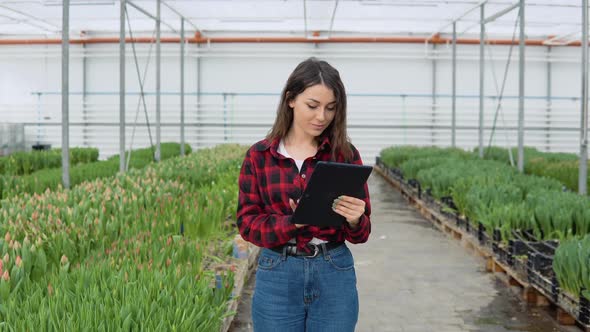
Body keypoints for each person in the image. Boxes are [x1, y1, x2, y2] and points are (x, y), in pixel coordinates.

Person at [236, 57, 371, 332]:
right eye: (313, 105)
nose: (322, 116)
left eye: (331, 108)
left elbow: (362, 234)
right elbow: (248, 224)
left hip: (334, 270)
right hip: (278, 272)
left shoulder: (345, 155)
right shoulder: (260, 157)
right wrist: (293, 222)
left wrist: (356, 219)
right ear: (291, 99)